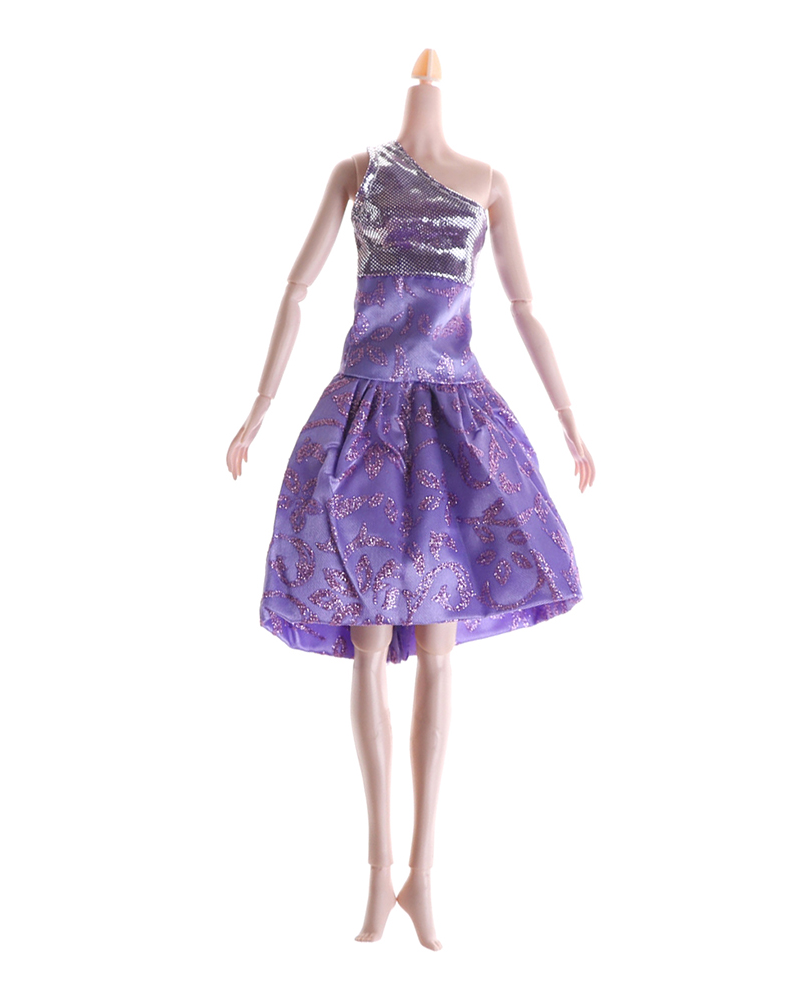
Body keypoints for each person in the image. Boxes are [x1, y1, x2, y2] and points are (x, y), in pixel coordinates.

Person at [227, 51, 595, 950]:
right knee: (370, 646)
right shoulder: (356, 172)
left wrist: (570, 420)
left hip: (452, 423)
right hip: (362, 424)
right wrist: (259, 407)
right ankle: (378, 873)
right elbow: (297, 288)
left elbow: (525, 305)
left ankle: (422, 879)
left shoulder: (489, 182)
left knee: (435, 648)